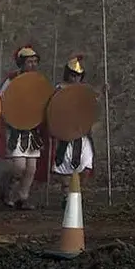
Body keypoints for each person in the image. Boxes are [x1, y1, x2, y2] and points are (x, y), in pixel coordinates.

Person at [0, 45, 45, 210]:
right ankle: (6, 191)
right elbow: (3, 101)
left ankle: (22, 197)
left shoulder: (38, 81)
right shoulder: (11, 81)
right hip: (15, 128)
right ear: (21, 63)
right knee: (19, 166)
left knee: (31, 168)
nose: (33, 65)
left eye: (35, 61)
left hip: (32, 128)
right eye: (29, 61)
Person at [49, 54, 96, 209]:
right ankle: (66, 195)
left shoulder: (85, 91)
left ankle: (77, 192)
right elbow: (53, 110)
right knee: (64, 166)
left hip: (82, 133)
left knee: (86, 164)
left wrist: (103, 92)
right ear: (68, 74)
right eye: (73, 75)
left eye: (78, 75)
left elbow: (93, 105)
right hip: (65, 134)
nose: (75, 78)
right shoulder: (59, 90)